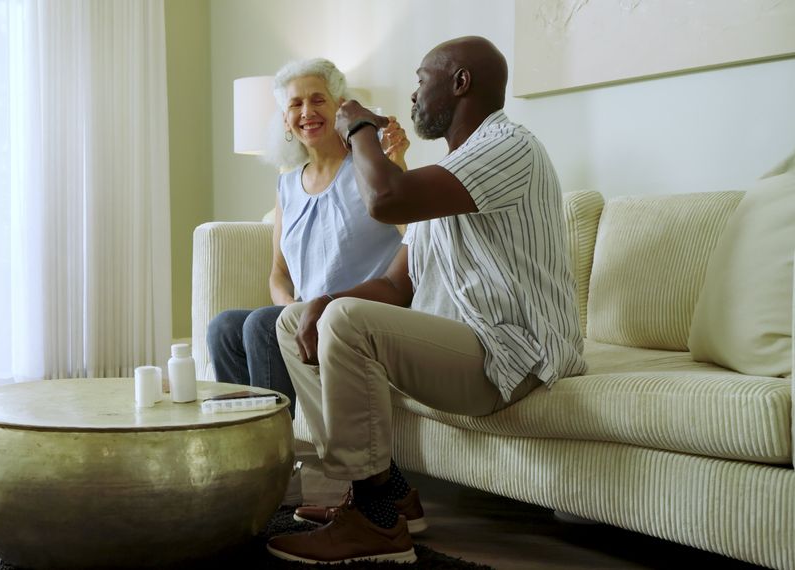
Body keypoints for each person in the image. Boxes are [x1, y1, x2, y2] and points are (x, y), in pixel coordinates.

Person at [266, 37, 588, 565]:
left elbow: (387, 199)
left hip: (515, 354)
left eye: (421, 80)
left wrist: (361, 127)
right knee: (297, 319)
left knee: (345, 320)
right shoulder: (449, 175)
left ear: (460, 83)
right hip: (468, 348)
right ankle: (387, 493)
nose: (413, 95)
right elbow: (397, 285)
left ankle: (375, 526)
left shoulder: (508, 147)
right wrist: (320, 301)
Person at [206, 58, 407, 417]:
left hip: (354, 312)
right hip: (305, 314)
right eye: (295, 104)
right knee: (223, 328)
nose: (306, 112)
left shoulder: (369, 168)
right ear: (285, 119)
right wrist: (288, 311)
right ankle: (243, 444)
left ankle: (276, 454)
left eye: (318, 100)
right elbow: (278, 273)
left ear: (340, 106)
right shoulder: (287, 185)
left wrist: (398, 163)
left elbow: (414, 233)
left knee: (260, 326)